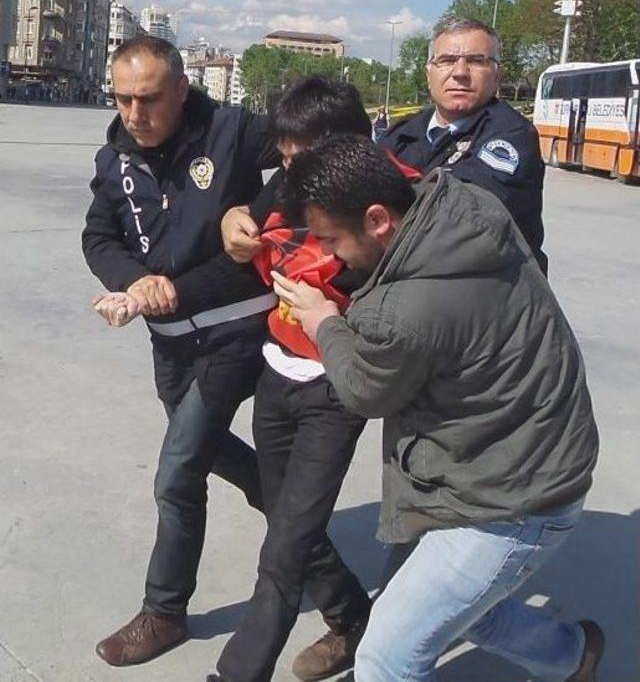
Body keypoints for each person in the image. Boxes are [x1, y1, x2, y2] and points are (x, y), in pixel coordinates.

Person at [271, 135, 603, 682]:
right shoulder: (460, 204)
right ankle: (573, 655)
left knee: (387, 656)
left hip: (512, 501)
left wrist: (322, 321)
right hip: (520, 455)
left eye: (331, 241)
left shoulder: (403, 311)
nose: (328, 257)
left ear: (378, 219)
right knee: (460, 612)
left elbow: (364, 390)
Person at [81, 36, 280, 667]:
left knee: (177, 473)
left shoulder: (233, 131)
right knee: (226, 463)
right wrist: (132, 281)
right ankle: (339, 591)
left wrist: (257, 210)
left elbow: (319, 148)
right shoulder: (114, 156)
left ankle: (164, 611)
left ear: (181, 91)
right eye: (121, 98)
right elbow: (98, 235)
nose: (134, 113)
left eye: (148, 99)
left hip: (234, 332)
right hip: (169, 343)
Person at [208, 78, 374, 682]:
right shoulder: (284, 182)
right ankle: (352, 615)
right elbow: (240, 229)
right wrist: (234, 223)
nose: (289, 172)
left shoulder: (384, 202)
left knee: (281, 555)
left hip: (335, 390)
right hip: (276, 375)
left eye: (303, 158)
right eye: (284, 157)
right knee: (285, 517)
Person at [379, 17, 548, 274]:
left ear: (497, 75)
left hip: (489, 295)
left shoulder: (512, 135)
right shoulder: (401, 134)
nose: (459, 72)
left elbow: (461, 216)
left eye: (476, 61)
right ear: (428, 74)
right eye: (446, 60)